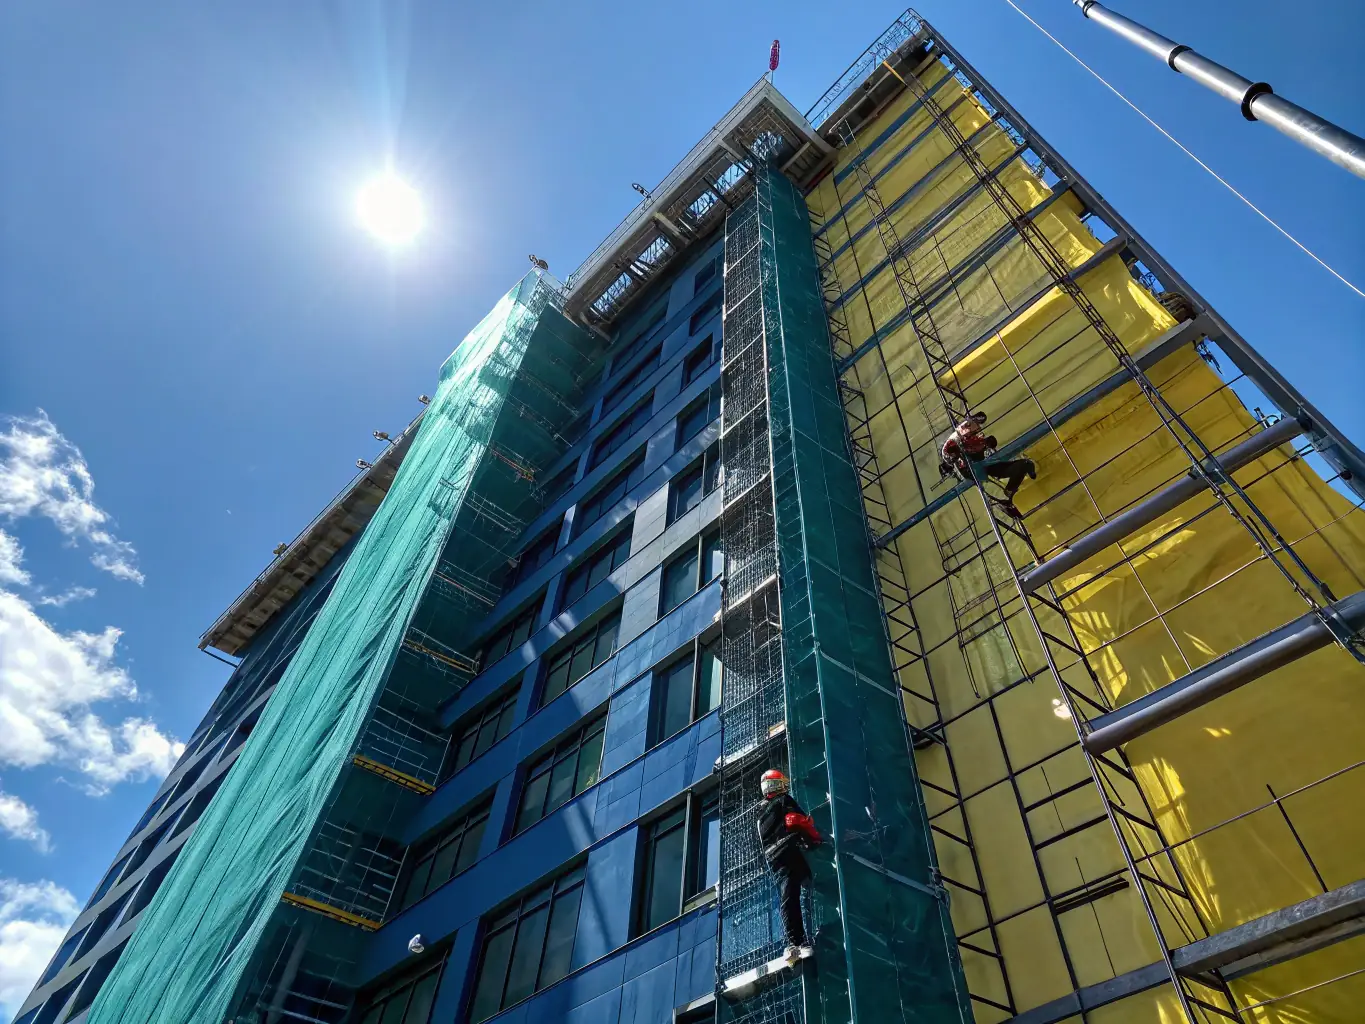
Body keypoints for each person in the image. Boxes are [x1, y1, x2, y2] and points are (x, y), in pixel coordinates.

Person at [757, 768, 821, 963]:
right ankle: (804, 943)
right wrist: (816, 839)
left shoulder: (760, 815)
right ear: (777, 785)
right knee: (811, 887)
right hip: (792, 850)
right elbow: (797, 821)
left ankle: (794, 944)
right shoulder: (784, 800)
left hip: (774, 859)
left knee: (788, 899)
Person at [940, 411, 1036, 517]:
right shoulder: (960, 435)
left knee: (1024, 464)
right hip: (971, 470)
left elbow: (977, 444)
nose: (977, 428)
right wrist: (956, 456)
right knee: (993, 490)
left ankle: (1009, 494)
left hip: (983, 464)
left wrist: (983, 445)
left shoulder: (976, 437)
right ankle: (1005, 503)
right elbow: (948, 451)